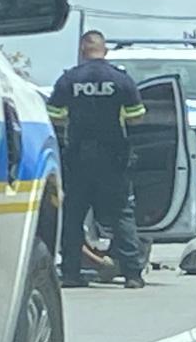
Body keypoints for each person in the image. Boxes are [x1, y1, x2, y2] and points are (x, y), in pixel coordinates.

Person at [47, 30, 148, 289]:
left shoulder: (69, 80)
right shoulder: (121, 79)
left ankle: (71, 273)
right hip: (113, 157)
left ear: (82, 51)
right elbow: (137, 116)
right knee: (121, 215)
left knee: (73, 216)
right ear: (105, 50)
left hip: (78, 158)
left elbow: (54, 115)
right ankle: (133, 275)